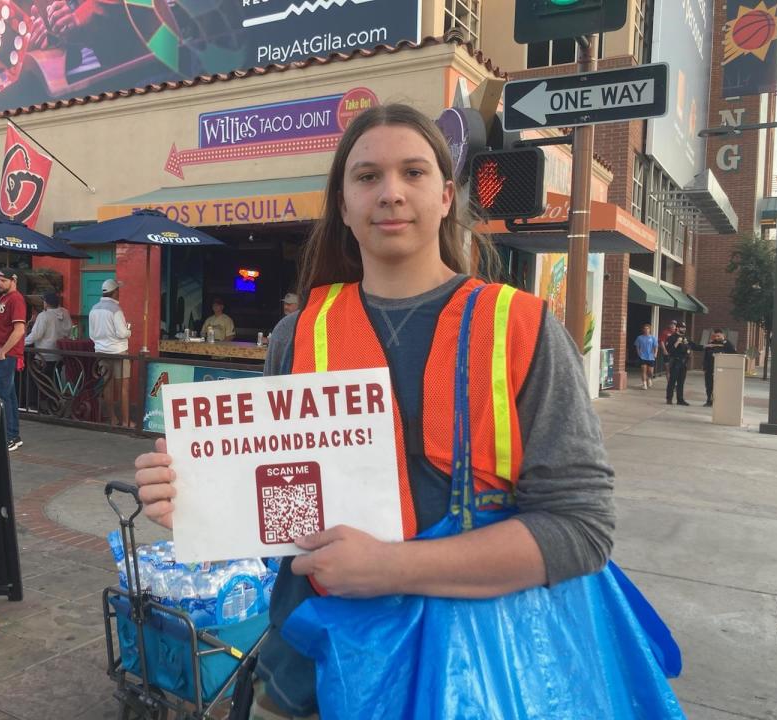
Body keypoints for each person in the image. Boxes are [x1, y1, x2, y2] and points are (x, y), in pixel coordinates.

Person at [133, 106, 683, 718]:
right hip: (307, 675)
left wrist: (393, 568)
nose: (391, 193)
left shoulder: (521, 327)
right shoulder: (298, 336)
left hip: (474, 676)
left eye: (413, 173)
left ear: (446, 196)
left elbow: (581, 529)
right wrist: (200, 501)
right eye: (367, 177)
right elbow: (283, 526)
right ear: (342, 205)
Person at [0, 268, 27, 451]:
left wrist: (3, 351)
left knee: (1, 396)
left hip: (5, 355)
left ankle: (7, 436)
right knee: (8, 396)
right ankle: (12, 434)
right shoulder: (3, 299)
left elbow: (19, 330)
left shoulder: (16, 299)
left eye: (3, 280)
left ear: (13, 280)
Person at [89, 278, 131, 426]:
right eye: (118, 291)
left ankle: (112, 418)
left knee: (107, 384)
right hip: (118, 351)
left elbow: (92, 335)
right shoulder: (116, 310)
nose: (119, 293)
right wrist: (128, 331)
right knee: (123, 386)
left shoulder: (94, 309)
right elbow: (121, 333)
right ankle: (126, 421)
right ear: (114, 292)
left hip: (101, 352)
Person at [26, 291, 72, 383]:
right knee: (55, 381)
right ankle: (54, 397)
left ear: (46, 303)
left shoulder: (44, 316)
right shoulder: (65, 312)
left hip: (44, 357)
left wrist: (21, 343)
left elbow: (35, 335)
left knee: (40, 382)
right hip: (59, 355)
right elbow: (69, 330)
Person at [664, 321, 700, 406]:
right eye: (682, 327)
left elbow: (694, 346)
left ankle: (680, 400)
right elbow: (669, 350)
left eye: (684, 327)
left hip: (684, 363)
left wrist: (707, 346)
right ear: (677, 328)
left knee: (681, 382)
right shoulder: (672, 337)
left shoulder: (685, 338)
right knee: (672, 381)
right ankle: (669, 399)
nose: (684, 329)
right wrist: (677, 342)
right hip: (675, 362)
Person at [702, 328, 736, 406]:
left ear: (722, 335)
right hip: (710, 368)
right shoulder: (711, 344)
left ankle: (720, 402)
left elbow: (733, 353)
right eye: (715, 336)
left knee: (720, 386)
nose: (716, 337)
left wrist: (724, 340)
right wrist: (704, 367)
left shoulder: (727, 344)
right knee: (709, 386)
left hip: (722, 369)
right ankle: (709, 401)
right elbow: (706, 357)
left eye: (718, 336)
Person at [633, 323, 659, 389]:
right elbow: (637, 346)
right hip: (643, 356)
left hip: (651, 356)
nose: (646, 330)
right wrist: (638, 353)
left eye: (647, 328)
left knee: (650, 372)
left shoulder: (653, 338)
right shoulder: (639, 337)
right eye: (645, 328)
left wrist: (655, 353)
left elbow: (656, 346)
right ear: (643, 330)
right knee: (643, 370)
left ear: (650, 330)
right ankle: (644, 384)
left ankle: (649, 379)